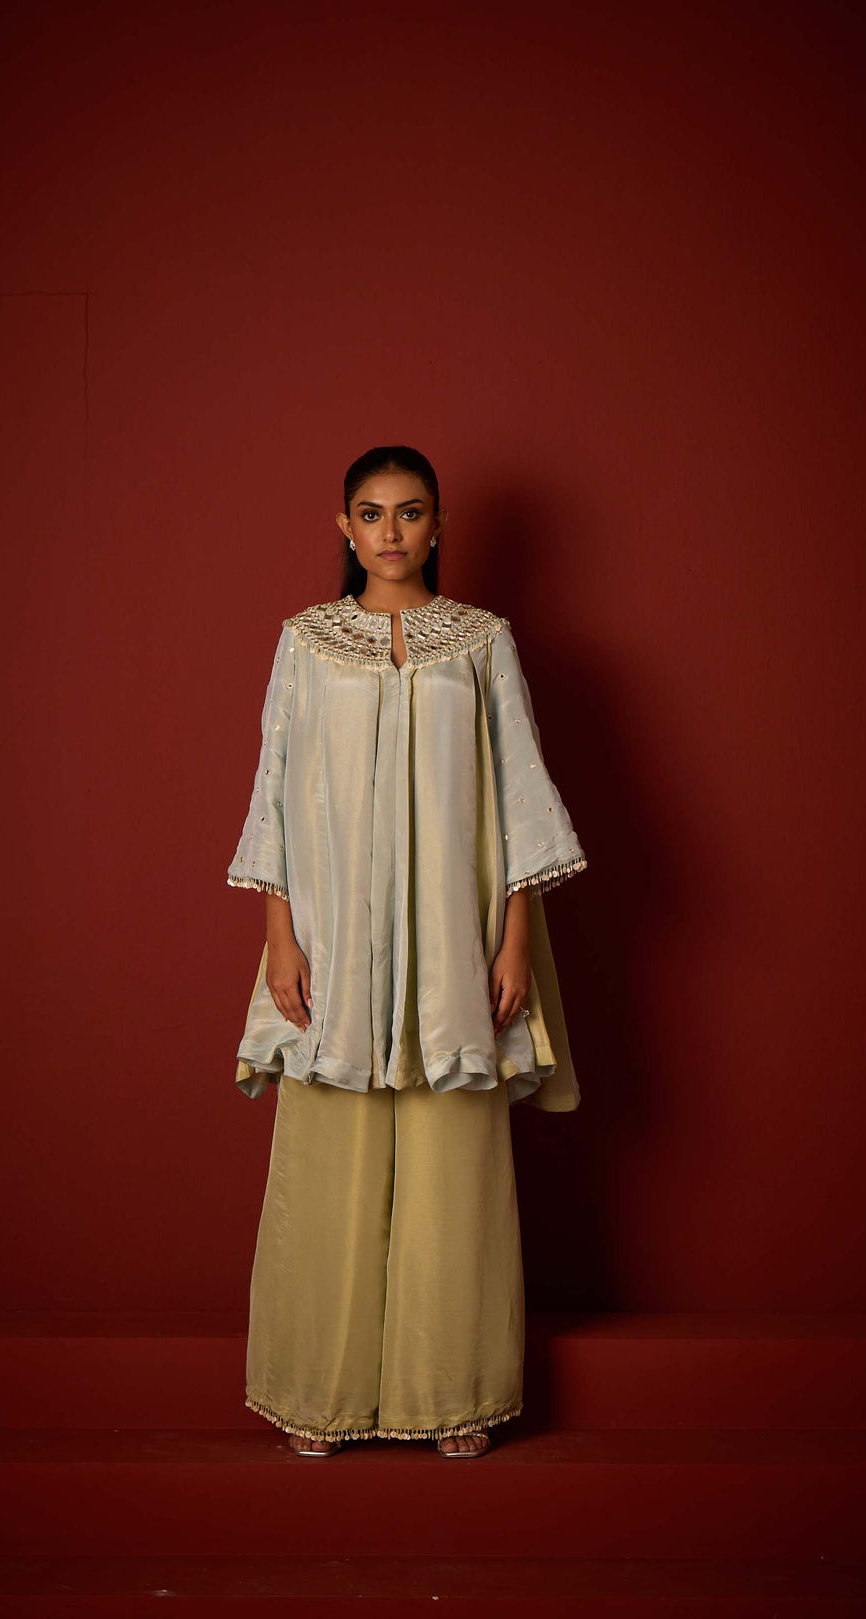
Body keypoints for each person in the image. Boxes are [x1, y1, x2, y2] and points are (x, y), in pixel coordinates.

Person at [226, 445, 587, 1458]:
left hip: (451, 940)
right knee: (327, 1165)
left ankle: (452, 1395)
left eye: (411, 511)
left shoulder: (482, 642)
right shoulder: (306, 643)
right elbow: (274, 791)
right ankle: (318, 1394)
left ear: (438, 525)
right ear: (345, 527)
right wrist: (279, 939)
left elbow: (520, 792)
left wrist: (514, 940)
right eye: (373, 512)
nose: (391, 531)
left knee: (451, 1165)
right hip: (333, 941)